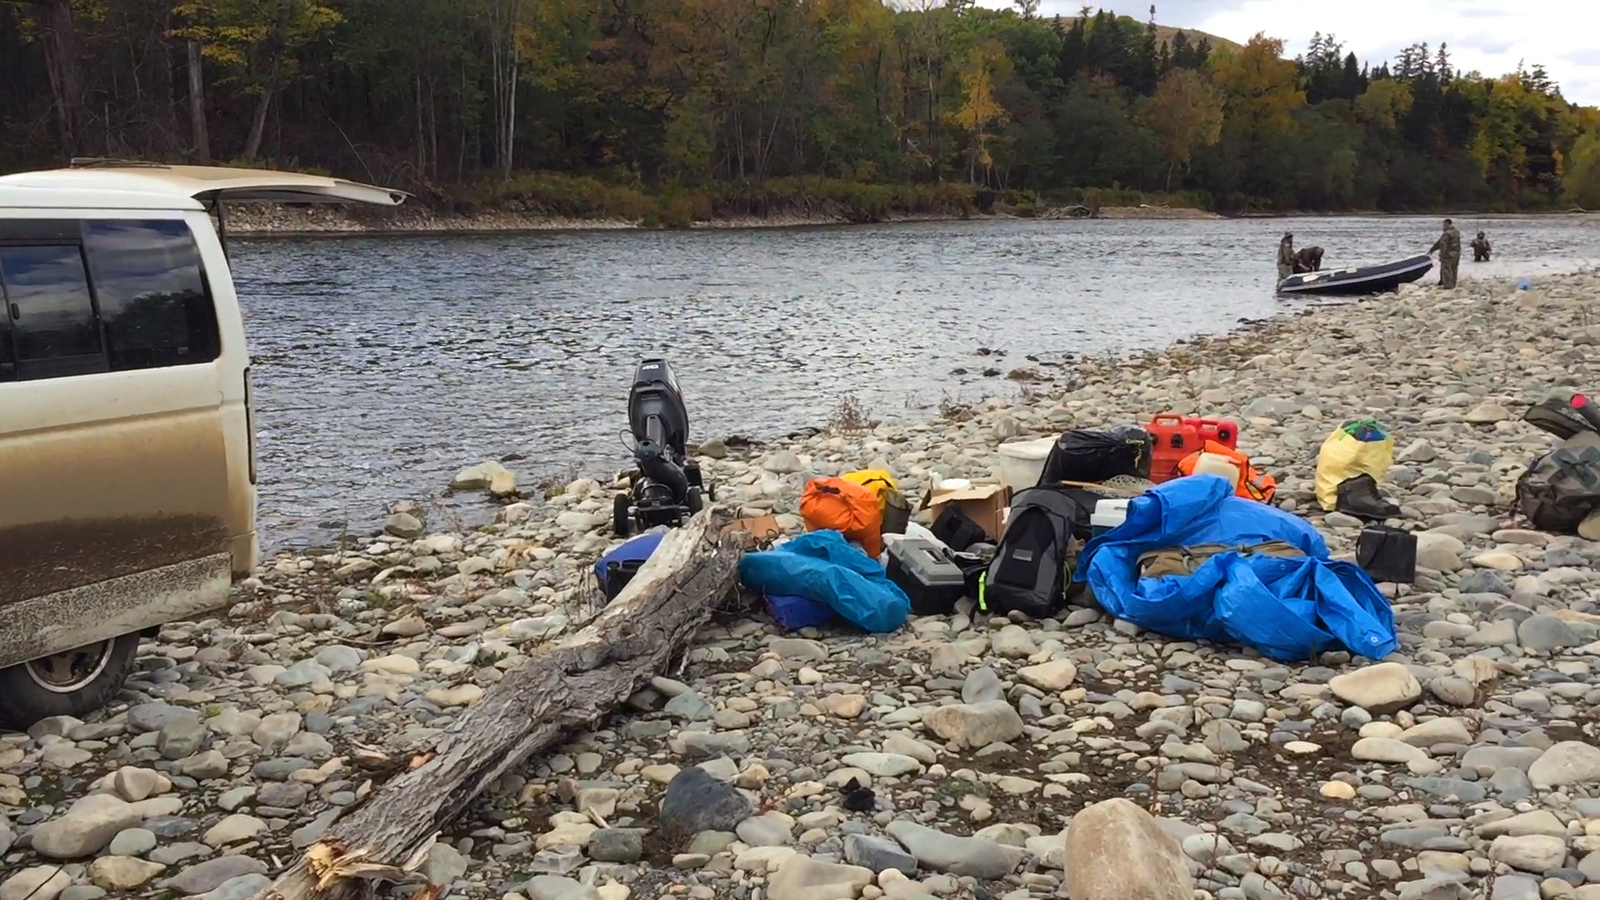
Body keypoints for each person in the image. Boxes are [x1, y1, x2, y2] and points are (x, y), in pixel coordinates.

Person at [1428, 218, 1461, 289]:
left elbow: (1442, 244)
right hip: (1456, 254)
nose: (1443, 226)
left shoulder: (1447, 233)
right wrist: (1432, 249)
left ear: (1448, 224)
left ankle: (1448, 286)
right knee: (1454, 269)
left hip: (1448, 254)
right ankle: (1453, 284)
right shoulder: (1456, 232)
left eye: (1444, 224)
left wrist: (1443, 255)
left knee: (1446, 270)